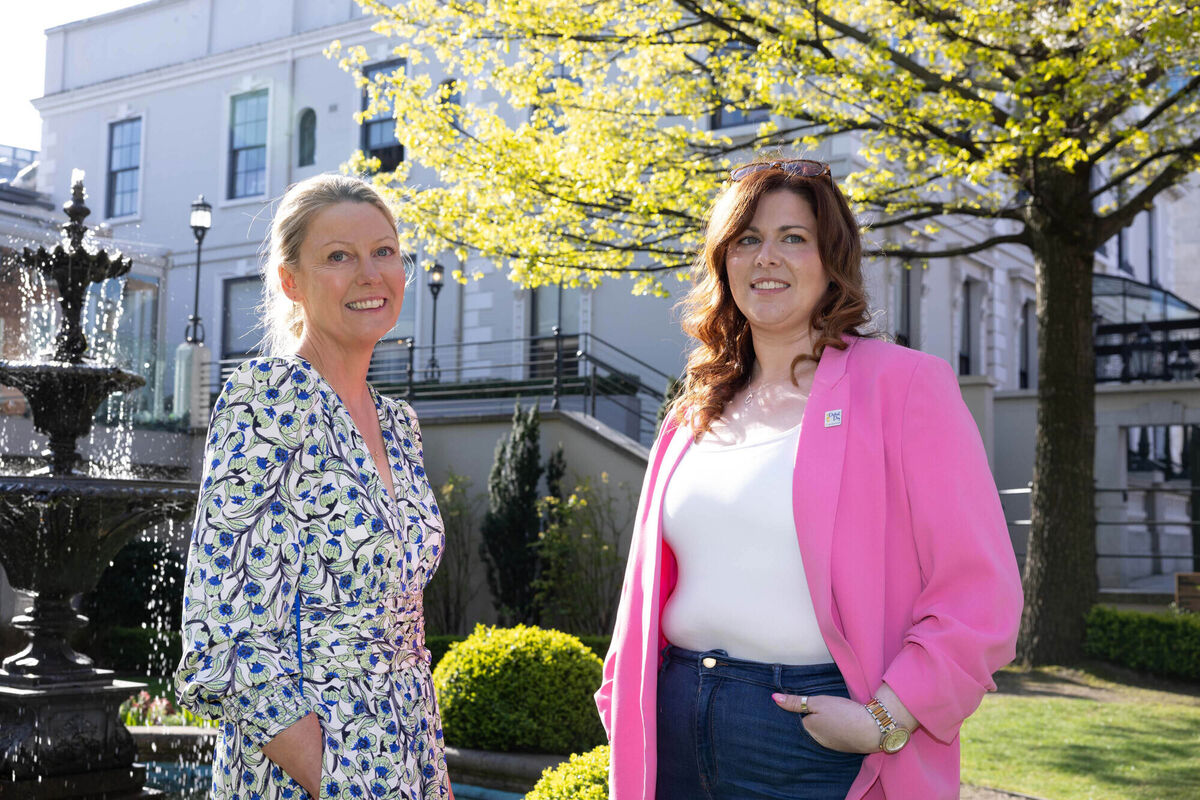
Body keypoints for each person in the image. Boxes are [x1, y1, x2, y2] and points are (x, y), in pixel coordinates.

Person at [595, 158, 1024, 800]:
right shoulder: (692, 411)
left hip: (811, 735)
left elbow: (980, 593)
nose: (768, 257)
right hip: (675, 718)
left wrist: (886, 717)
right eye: (747, 239)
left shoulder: (904, 387)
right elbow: (646, 588)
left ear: (831, 260)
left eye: (793, 237)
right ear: (724, 262)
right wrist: (620, 695)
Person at [175, 174, 452, 800]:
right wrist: (343, 781)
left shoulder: (398, 424)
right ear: (290, 281)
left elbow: (404, 635)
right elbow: (225, 638)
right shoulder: (267, 401)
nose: (369, 273)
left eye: (384, 251)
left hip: (410, 754)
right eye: (338, 256)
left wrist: (428, 774)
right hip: (308, 770)